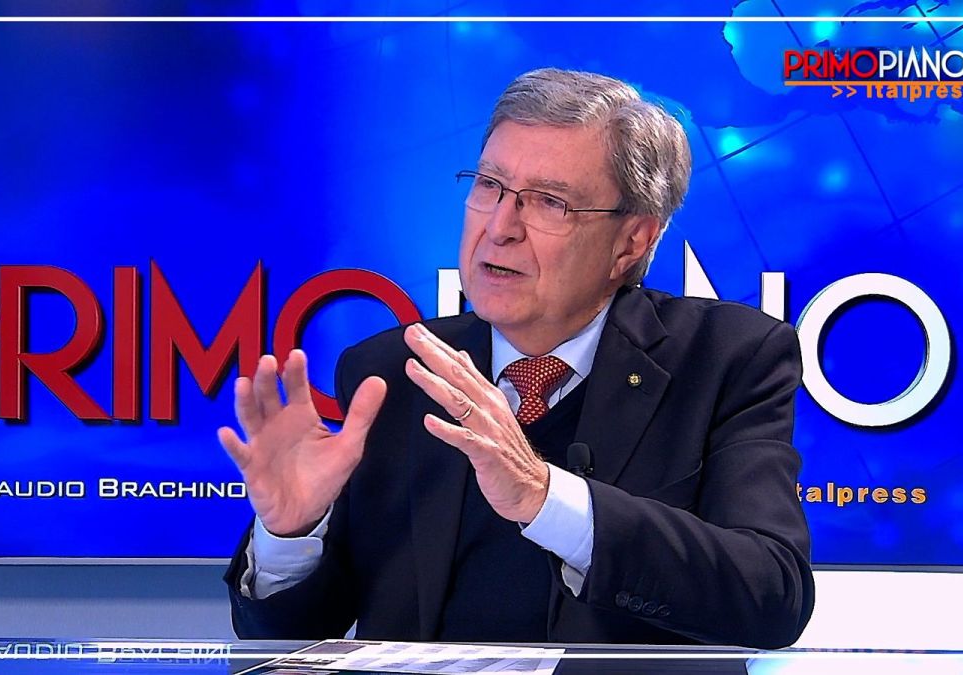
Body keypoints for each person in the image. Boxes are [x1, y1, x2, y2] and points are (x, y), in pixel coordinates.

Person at [219, 68, 814, 648]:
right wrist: (291, 535)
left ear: (631, 241)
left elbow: (771, 595)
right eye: (489, 186)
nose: (500, 227)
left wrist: (544, 497)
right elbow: (286, 640)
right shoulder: (393, 373)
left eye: (550, 202)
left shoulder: (726, 360)